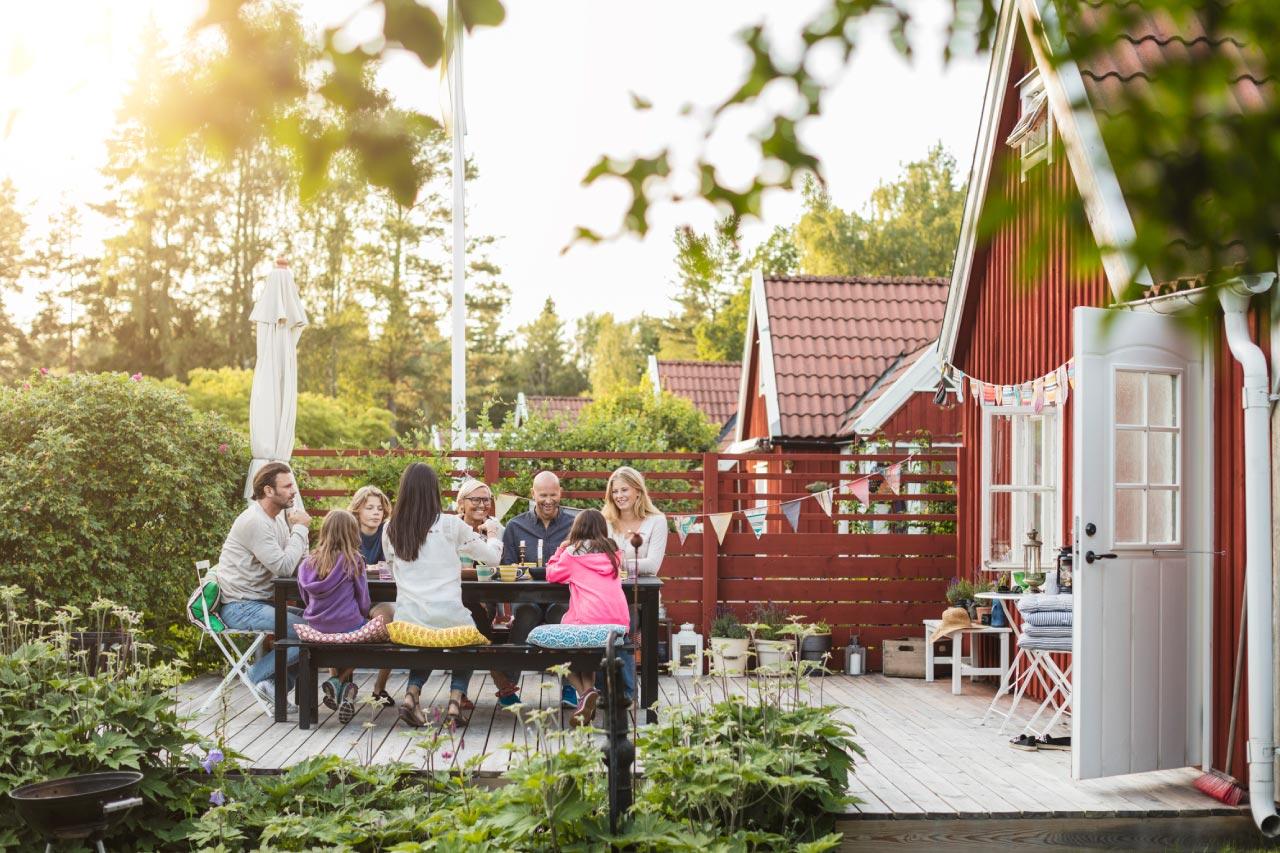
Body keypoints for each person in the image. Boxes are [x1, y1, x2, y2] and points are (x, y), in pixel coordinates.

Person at [384, 462, 520, 728]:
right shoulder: (449, 525)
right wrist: (492, 534)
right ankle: (455, 701)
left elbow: (393, 569)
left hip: (407, 620)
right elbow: (492, 557)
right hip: (448, 616)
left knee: (427, 638)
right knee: (470, 636)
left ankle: (412, 695)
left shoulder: (390, 527)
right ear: (434, 491)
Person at [217, 461, 312, 714]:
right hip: (240, 606)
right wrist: (301, 529)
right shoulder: (255, 522)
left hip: (262, 603)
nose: (294, 491)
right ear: (269, 491)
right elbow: (283, 567)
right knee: (311, 633)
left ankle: (272, 685)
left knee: (319, 623)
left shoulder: (278, 520)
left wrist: (299, 535)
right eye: (288, 486)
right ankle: (257, 674)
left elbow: (297, 565)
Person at [545, 509, 629, 727]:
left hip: (588, 620)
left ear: (576, 529)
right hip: (617, 623)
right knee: (585, 648)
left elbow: (551, 574)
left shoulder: (572, 554)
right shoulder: (614, 554)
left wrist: (559, 550)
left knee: (555, 650)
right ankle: (587, 697)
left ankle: (586, 693)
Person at [500, 471, 578, 706]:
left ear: (560, 493)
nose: (548, 500)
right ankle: (507, 689)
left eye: (553, 495)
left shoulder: (573, 524)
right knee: (525, 613)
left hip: (562, 595)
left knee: (563, 617)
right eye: (543, 495)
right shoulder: (515, 526)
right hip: (526, 594)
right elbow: (507, 566)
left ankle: (570, 688)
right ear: (533, 494)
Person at [297, 510, 373, 724]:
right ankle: (340, 680)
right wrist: (362, 615)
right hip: (348, 624)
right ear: (352, 533)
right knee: (376, 642)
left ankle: (337, 682)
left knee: (331, 640)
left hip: (317, 627)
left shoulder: (307, 563)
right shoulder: (354, 561)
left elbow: (304, 596)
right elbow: (364, 599)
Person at [601, 466, 669, 703]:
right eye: (615, 490)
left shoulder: (656, 522)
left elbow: (652, 565)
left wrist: (616, 562)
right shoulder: (606, 521)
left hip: (639, 595)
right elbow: (597, 557)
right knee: (597, 628)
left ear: (638, 491)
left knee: (624, 627)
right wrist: (623, 563)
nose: (619, 495)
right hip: (606, 592)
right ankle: (602, 691)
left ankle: (627, 693)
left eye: (624, 490)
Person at [349, 485, 391, 566]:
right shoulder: (348, 533)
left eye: (380, 509)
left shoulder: (389, 531)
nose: (376, 512)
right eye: (369, 508)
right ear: (357, 511)